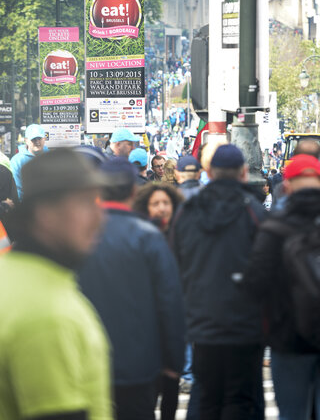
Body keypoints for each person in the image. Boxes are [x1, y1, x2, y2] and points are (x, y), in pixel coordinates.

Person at [0, 148, 113, 420]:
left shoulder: (16, 277)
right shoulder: (46, 312)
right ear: (45, 213)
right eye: (85, 203)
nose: (99, 218)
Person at [78, 158, 185, 420]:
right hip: (139, 366)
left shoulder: (78, 235)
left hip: (85, 364)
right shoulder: (148, 236)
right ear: (134, 192)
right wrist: (173, 362)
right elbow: (170, 303)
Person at [172, 144, 267, 420]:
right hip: (246, 323)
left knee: (205, 395)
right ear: (243, 173)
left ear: (209, 173)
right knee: (242, 397)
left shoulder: (187, 211)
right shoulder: (254, 212)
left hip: (202, 321)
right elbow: (268, 268)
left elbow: (175, 263)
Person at [244, 154, 320, 420]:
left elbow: (256, 282)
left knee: (292, 412)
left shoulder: (275, 226)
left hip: (289, 335)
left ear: (286, 185)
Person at [10, 124, 47, 199]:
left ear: (44, 139)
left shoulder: (51, 157)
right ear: (26, 140)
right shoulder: (17, 161)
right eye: (33, 139)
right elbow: (17, 189)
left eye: (39, 138)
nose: (37, 142)